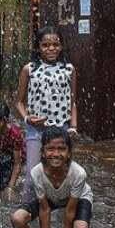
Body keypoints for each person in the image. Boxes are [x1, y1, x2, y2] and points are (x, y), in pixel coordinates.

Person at [9, 126, 93, 228]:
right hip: (51, 196)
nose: (56, 154)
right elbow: (44, 209)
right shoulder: (37, 172)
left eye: (61, 149)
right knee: (17, 219)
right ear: (42, 152)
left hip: (77, 197)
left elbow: (70, 211)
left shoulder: (78, 173)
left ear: (69, 153)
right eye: (50, 149)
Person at [15, 26, 77, 202]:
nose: (51, 48)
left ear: (61, 46)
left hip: (61, 131)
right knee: (31, 177)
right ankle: (26, 212)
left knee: (60, 177)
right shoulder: (29, 69)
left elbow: (73, 102)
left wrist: (73, 127)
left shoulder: (69, 69)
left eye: (55, 44)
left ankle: (57, 216)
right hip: (36, 130)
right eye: (46, 45)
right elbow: (19, 101)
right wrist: (27, 118)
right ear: (38, 47)